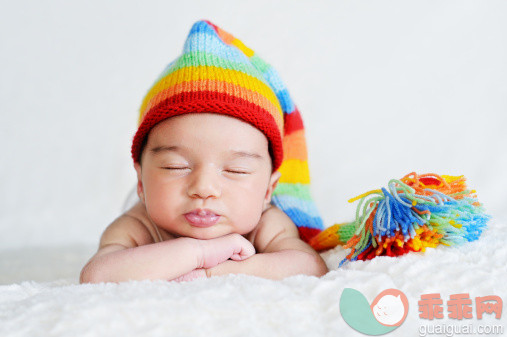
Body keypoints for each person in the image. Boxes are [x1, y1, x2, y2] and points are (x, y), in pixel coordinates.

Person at [80, 19, 328, 283]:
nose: (204, 188)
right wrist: (198, 253)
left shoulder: (266, 224)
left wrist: (212, 272)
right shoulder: (140, 224)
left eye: (236, 170)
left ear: (268, 190)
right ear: (141, 182)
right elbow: (97, 275)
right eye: (176, 166)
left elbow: (310, 267)